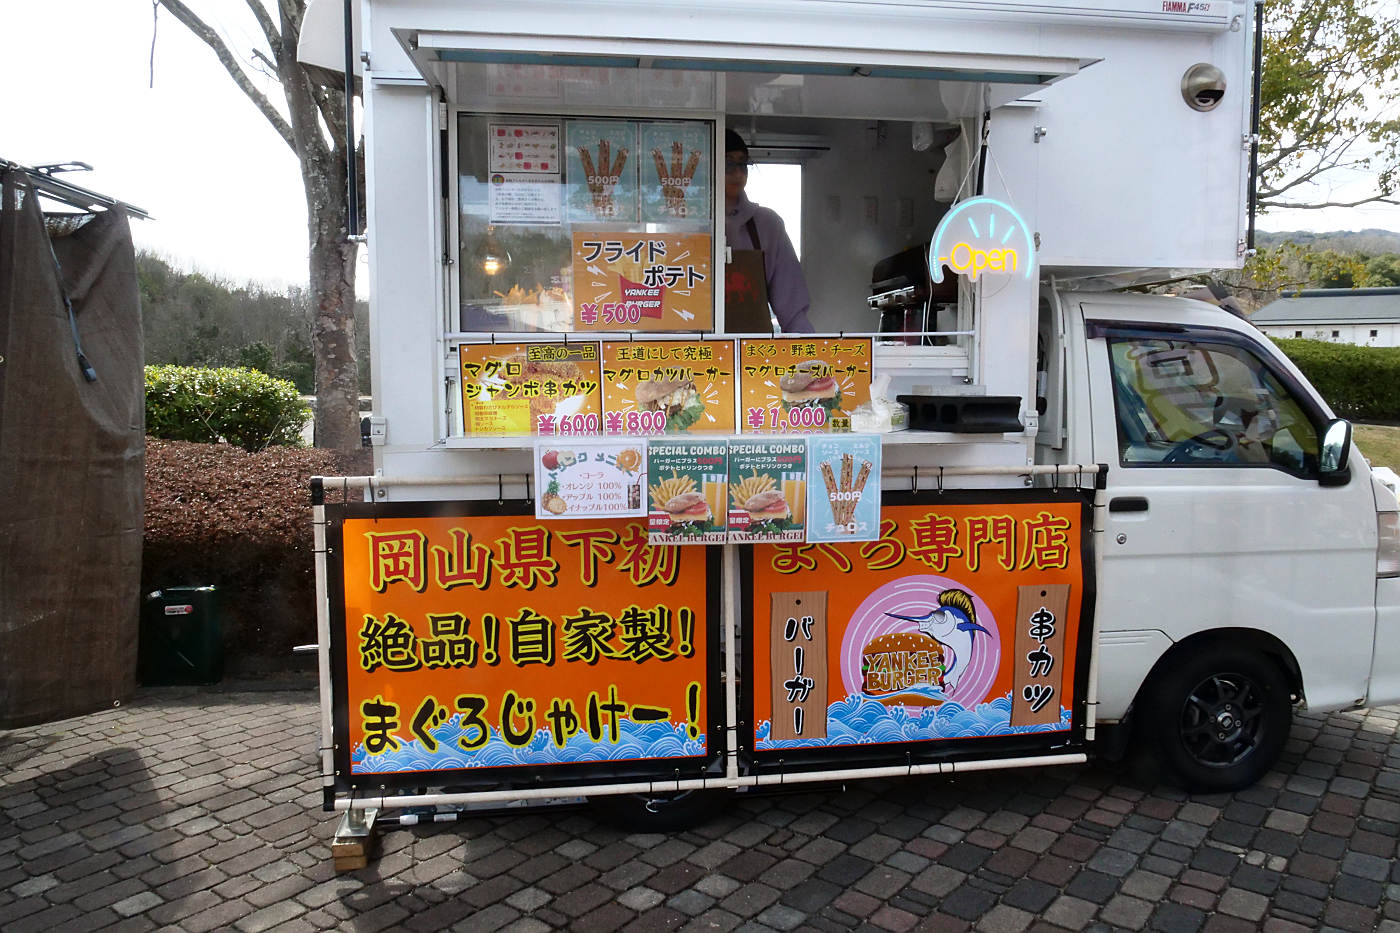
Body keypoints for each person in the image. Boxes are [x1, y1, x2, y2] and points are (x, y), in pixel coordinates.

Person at [723, 129, 814, 333]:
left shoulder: (768, 224)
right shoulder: (687, 225)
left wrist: (808, 346)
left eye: (742, 164)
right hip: (696, 349)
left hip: (754, 349)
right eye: (728, 164)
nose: (738, 174)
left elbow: (792, 307)